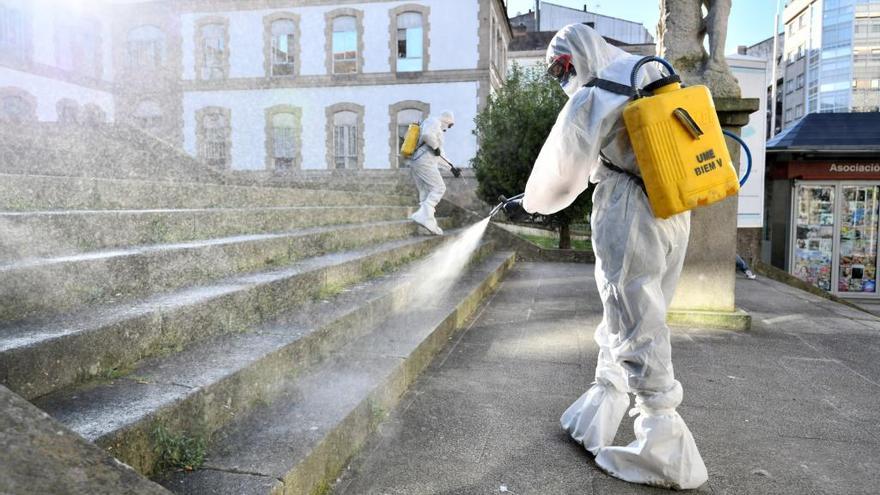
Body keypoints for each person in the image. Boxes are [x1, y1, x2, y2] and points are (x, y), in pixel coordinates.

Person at [503, 24, 707, 489]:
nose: (563, 78)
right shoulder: (647, 70)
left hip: (630, 209)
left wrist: (530, 202)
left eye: (561, 68)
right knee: (640, 310)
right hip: (674, 202)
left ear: (576, 56)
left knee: (633, 314)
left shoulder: (593, 96)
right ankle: (605, 401)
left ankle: (663, 441)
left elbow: (561, 175)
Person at [408, 110, 460, 235]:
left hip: (419, 161)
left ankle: (426, 224)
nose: (449, 128)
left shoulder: (436, 128)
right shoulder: (434, 121)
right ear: (447, 120)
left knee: (425, 192)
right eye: (450, 125)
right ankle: (423, 217)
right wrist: (435, 147)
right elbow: (427, 136)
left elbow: (439, 155)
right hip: (424, 161)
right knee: (439, 188)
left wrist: (451, 168)